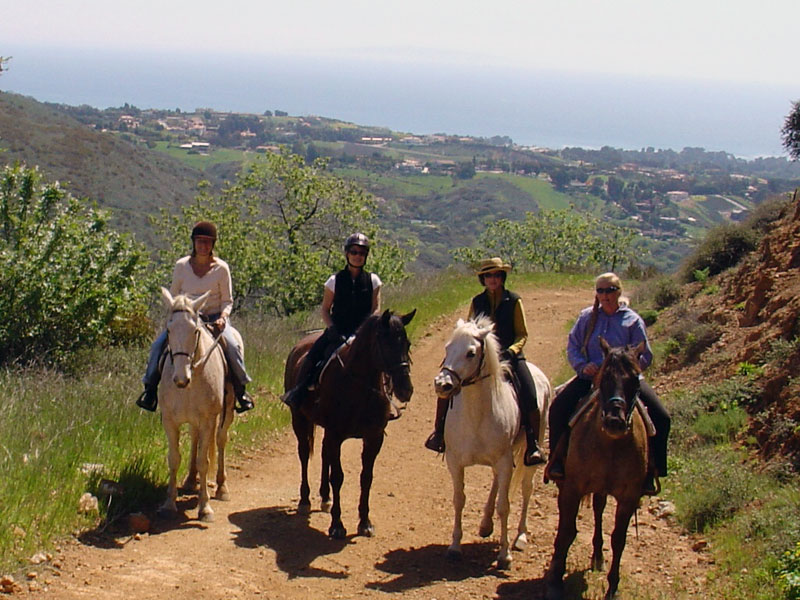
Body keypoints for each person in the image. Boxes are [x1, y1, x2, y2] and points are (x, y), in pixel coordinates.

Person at [545, 272, 670, 495]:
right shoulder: (587, 318)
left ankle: (653, 470)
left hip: (624, 382)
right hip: (590, 378)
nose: (605, 295)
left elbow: (646, 355)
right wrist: (583, 366)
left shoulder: (632, 320)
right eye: (601, 291)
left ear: (619, 292)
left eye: (610, 290)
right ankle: (557, 461)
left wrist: (628, 370)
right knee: (558, 409)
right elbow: (573, 346)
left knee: (661, 417)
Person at [424, 257, 545, 466]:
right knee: (447, 384)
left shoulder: (514, 301)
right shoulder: (476, 302)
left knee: (529, 391)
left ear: (502, 277)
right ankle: (440, 433)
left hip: (509, 357)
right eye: (488, 275)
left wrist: (511, 351)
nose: (493, 279)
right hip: (479, 358)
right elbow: (469, 330)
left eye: (497, 275)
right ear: (483, 279)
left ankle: (532, 444)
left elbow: (522, 334)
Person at [136, 221, 254, 414]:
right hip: (186, 320)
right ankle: (150, 390)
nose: (203, 246)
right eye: (200, 241)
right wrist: (177, 318)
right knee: (157, 346)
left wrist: (223, 317)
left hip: (214, 319)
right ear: (193, 243)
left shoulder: (222, 269)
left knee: (232, 345)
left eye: (207, 242)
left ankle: (241, 391)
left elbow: (228, 300)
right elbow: (174, 296)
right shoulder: (181, 266)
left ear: (213, 245)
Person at [282, 232, 382, 409]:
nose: (358, 256)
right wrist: (332, 328)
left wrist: (365, 328)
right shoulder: (334, 281)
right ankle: (300, 390)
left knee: (385, 357)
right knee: (314, 355)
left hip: (364, 332)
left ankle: (387, 398)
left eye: (362, 253)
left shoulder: (373, 281)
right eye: (354, 252)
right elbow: (325, 310)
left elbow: (375, 308)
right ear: (347, 254)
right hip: (339, 330)